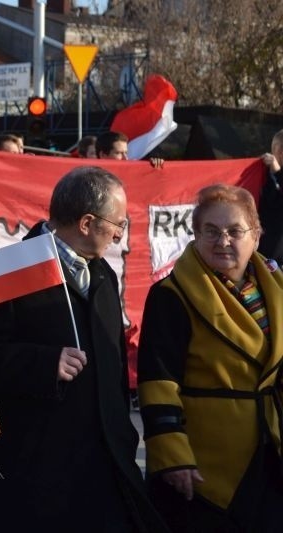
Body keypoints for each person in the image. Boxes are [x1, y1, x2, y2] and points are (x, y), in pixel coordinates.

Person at [0, 166, 168, 532]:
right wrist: (45, 362)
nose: (119, 234)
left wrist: (123, 435)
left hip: (103, 462)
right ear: (86, 222)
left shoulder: (103, 273)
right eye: (116, 224)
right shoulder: (10, 269)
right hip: (37, 466)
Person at [138, 184, 283, 532]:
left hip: (271, 452)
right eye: (211, 231)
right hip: (203, 464)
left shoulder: (277, 287)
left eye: (235, 231)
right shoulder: (170, 295)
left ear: (257, 236)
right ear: (195, 235)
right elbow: (158, 380)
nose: (223, 241)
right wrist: (172, 455)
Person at [259, 129, 283, 265]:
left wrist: (278, 173)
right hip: (266, 257)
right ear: (280, 153)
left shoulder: (277, 175)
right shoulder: (262, 176)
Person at [98, 130, 164, 168]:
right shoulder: (91, 179)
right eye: (118, 153)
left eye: (126, 153)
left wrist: (154, 168)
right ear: (103, 155)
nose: (125, 158)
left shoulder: (133, 171)